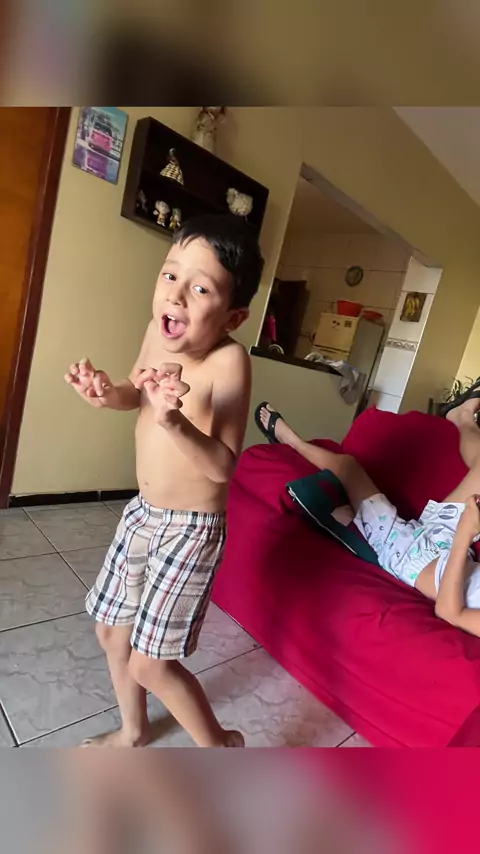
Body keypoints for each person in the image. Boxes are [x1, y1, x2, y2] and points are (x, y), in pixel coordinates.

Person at [65, 214, 264, 747]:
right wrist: (108, 392)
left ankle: (222, 746)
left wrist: (174, 422)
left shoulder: (229, 362)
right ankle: (133, 732)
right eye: (171, 275)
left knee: (151, 664)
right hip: (142, 514)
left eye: (200, 288)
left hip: (191, 529)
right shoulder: (157, 332)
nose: (175, 295)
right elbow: (134, 388)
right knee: (112, 633)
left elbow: (223, 466)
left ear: (233, 316)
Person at [256, 395, 480, 637]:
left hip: (412, 557)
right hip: (450, 543)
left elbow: (450, 613)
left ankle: (291, 442)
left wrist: (464, 535)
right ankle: (462, 417)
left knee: (348, 468)